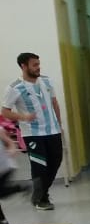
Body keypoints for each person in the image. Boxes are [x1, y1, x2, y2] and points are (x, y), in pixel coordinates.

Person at [0, 53, 64, 211]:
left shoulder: (47, 81)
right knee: (39, 166)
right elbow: (5, 112)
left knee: (55, 162)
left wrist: (59, 124)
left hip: (53, 131)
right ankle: (40, 198)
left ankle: (41, 192)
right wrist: (23, 117)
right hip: (33, 134)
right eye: (34, 65)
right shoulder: (14, 87)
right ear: (23, 66)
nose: (38, 67)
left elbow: (54, 103)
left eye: (38, 64)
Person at [0, 121, 30, 224]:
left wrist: (12, 149)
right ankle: (3, 222)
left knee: (1, 193)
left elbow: (10, 142)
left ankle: (20, 188)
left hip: (5, 166)